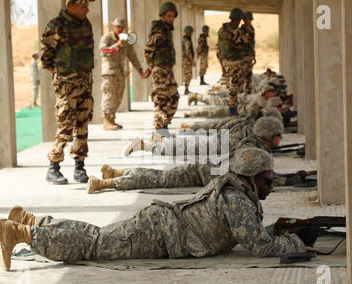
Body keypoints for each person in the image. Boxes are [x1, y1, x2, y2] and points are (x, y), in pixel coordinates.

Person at [0, 148, 315, 271]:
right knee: (93, 245)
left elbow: (252, 233)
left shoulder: (235, 189)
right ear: (251, 177)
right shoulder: (238, 201)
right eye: (269, 180)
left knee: (96, 235)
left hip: (160, 224)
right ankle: (23, 233)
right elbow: (260, 246)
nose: (273, 186)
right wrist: (296, 241)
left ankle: (33, 221)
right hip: (159, 233)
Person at [87, 116, 283, 192]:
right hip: (208, 173)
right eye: (278, 136)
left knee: (160, 177)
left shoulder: (250, 140)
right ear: (270, 135)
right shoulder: (254, 151)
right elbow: (266, 178)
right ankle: (105, 183)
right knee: (159, 179)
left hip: (207, 169)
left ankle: (116, 173)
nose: (281, 139)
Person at [40, 0, 95, 185]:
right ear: (72, 6)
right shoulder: (57, 25)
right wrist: (61, 75)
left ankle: (79, 166)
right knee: (65, 124)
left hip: (85, 83)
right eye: (83, 6)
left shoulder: (86, 24)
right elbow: (45, 56)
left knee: (83, 123)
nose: (87, 10)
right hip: (66, 85)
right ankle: (53, 167)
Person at [100, 18, 149, 130]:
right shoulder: (107, 38)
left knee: (118, 97)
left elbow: (132, 56)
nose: (120, 29)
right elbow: (103, 51)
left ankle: (112, 119)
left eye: (122, 27)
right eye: (118, 27)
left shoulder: (126, 40)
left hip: (120, 72)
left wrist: (140, 71)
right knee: (109, 96)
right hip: (109, 72)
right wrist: (117, 45)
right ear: (114, 27)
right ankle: (106, 120)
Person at [144, 1, 180, 138]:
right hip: (159, 70)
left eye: (173, 16)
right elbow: (148, 48)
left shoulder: (167, 30)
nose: (171, 19)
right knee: (161, 99)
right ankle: (160, 130)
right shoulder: (159, 29)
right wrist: (151, 66)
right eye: (169, 16)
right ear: (162, 16)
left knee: (174, 98)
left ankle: (164, 125)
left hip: (167, 69)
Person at [217, 8, 245, 116]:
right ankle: (232, 109)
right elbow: (241, 46)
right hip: (235, 62)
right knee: (234, 86)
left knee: (230, 85)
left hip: (225, 61)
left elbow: (218, 48)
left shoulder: (221, 30)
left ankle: (232, 107)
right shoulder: (236, 31)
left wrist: (221, 65)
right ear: (238, 19)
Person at [240, 11, 256, 94]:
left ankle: (248, 91)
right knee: (242, 74)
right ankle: (241, 93)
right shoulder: (241, 30)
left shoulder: (252, 29)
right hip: (242, 55)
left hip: (249, 55)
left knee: (249, 74)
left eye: (250, 19)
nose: (249, 21)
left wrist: (253, 54)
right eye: (247, 19)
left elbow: (252, 42)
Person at [182, 25, 195, 95]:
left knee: (189, 75)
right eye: (191, 32)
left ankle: (186, 89)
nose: (192, 34)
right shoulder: (187, 40)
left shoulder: (186, 39)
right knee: (188, 75)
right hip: (186, 61)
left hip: (186, 60)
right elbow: (188, 52)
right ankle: (186, 89)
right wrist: (192, 61)